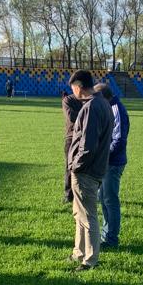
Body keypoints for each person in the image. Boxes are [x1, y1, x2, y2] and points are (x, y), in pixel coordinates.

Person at [66, 70, 113, 271]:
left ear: (78, 86)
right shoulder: (103, 103)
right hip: (96, 167)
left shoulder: (91, 107)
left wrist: (76, 165)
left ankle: (90, 259)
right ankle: (79, 251)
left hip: (86, 170)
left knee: (87, 216)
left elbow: (88, 144)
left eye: (72, 88)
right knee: (80, 213)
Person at [94, 83, 129, 248]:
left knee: (110, 200)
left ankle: (111, 239)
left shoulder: (117, 110)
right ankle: (106, 234)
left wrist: (104, 155)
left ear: (103, 98)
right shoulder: (110, 108)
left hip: (112, 163)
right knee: (103, 198)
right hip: (107, 161)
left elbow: (119, 140)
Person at [60, 90, 83, 203]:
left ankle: (84, 193)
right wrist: (87, 113)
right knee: (69, 167)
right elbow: (71, 117)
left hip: (87, 137)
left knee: (86, 167)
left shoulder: (88, 99)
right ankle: (69, 194)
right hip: (72, 138)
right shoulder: (68, 100)